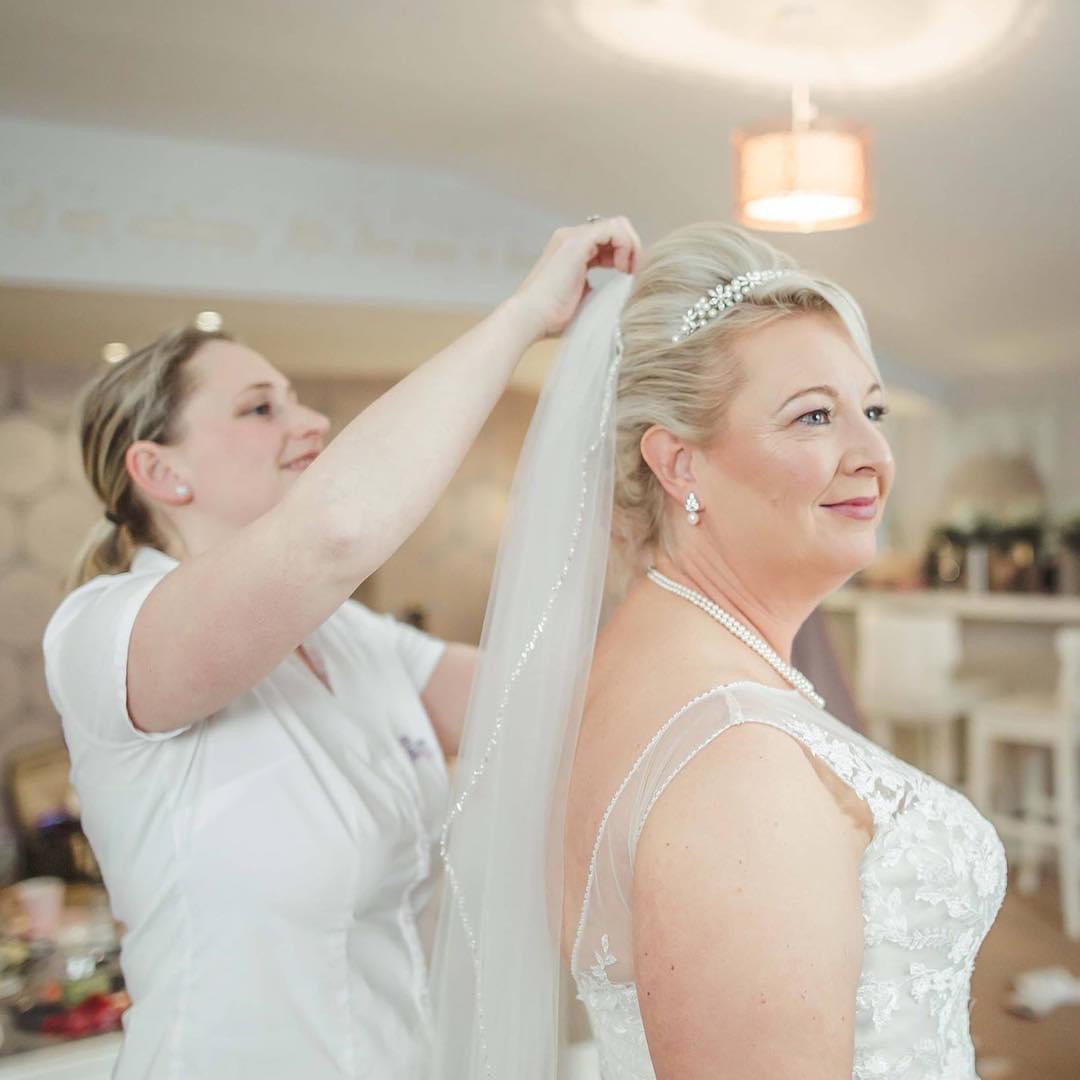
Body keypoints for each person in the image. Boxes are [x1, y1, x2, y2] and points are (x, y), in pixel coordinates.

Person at [41, 218, 642, 1080]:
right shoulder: (103, 631)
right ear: (161, 472)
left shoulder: (350, 639)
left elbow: (561, 698)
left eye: (294, 398)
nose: (312, 421)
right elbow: (340, 529)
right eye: (261, 407)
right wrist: (521, 318)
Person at [429, 223, 1007, 1079]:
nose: (875, 456)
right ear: (678, 465)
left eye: (872, 409)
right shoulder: (736, 764)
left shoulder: (649, 672)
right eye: (814, 415)